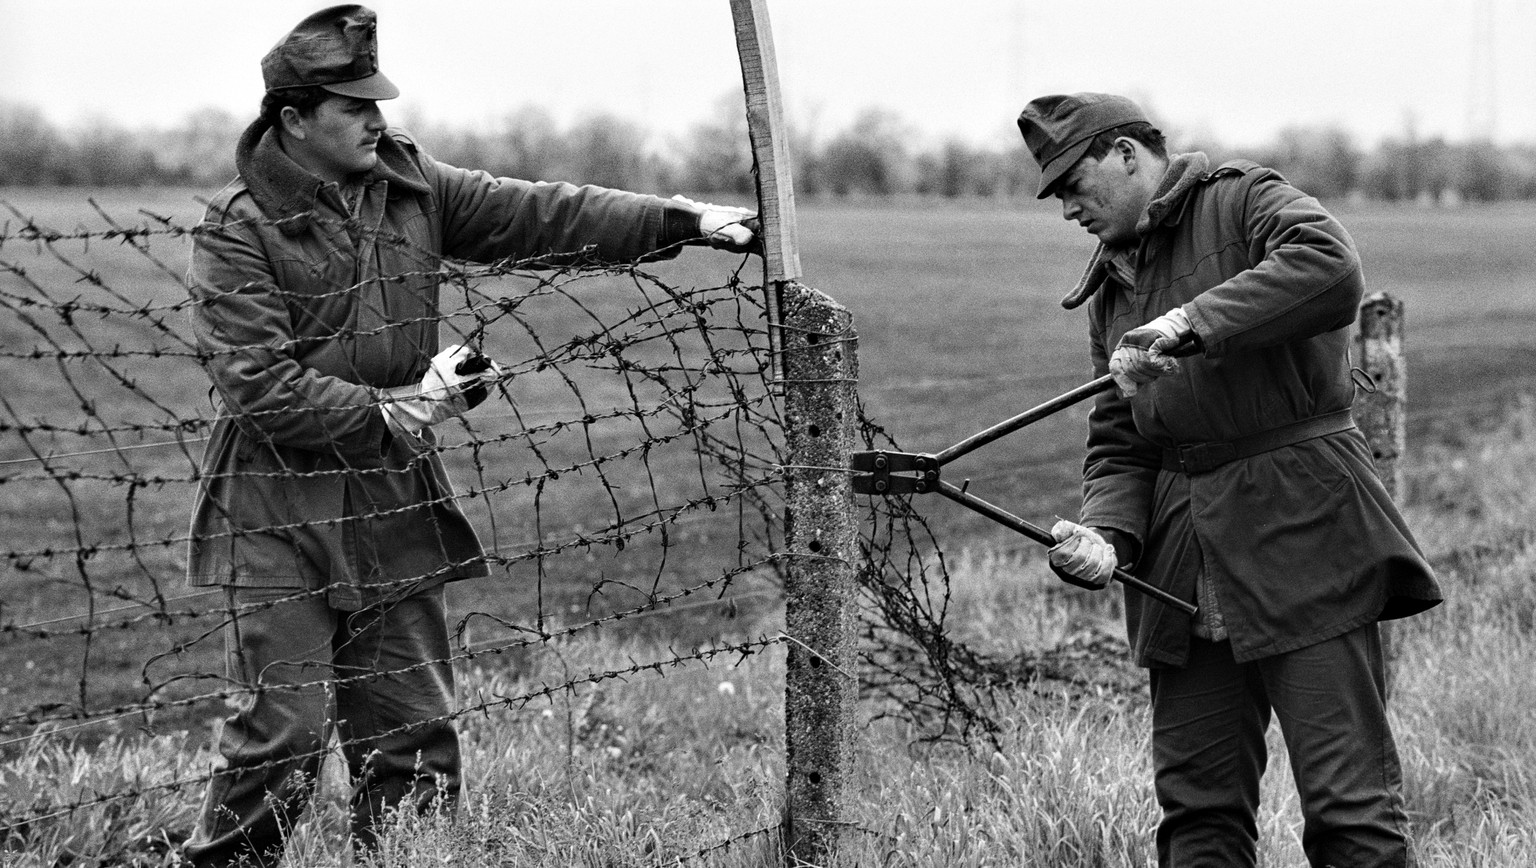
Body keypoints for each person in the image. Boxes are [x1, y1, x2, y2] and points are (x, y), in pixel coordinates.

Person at [180, 6, 757, 866]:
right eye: (352, 105)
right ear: (293, 119)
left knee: (413, 740)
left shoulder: (411, 187)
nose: (377, 115)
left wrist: (682, 221)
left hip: (390, 499)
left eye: (378, 98)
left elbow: (542, 215)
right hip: (277, 510)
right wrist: (407, 407)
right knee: (285, 736)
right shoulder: (237, 228)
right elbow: (258, 386)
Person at [1018, 92, 1443, 867]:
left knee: (1351, 814)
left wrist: (1189, 321)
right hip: (1182, 574)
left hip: (1305, 536)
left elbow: (1329, 267)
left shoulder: (1242, 200)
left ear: (1125, 152)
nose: (1069, 208)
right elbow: (1120, 437)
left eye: (1073, 183)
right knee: (1199, 817)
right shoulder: (1111, 284)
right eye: (1057, 197)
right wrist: (1109, 537)